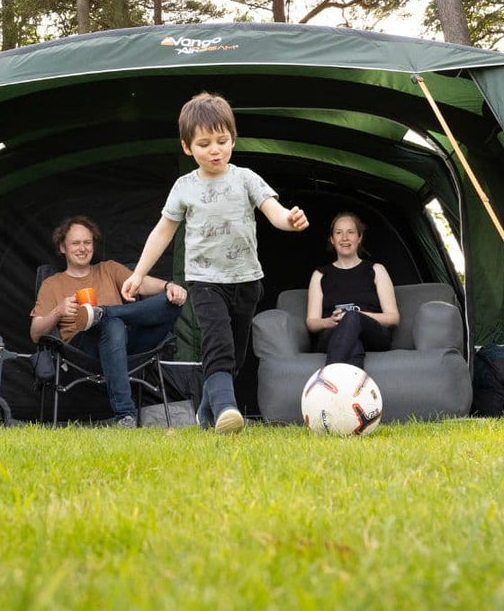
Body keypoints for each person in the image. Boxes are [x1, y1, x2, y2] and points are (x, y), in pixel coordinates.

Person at [122, 92, 309, 434]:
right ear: (187, 148)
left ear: (233, 140)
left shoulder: (246, 178)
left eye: (222, 141)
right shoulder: (184, 187)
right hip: (204, 281)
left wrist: (290, 220)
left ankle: (207, 412)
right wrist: (138, 274)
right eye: (204, 143)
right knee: (218, 345)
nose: (215, 150)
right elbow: (162, 232)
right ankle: (226, 410)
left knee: (233, 356)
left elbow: (274, 212)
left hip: (247, 280)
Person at [29, 216, 187, 428]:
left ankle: (104, 312)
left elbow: (140, 283)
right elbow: (35, 333)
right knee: (111, 325)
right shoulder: (52, 284)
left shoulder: (109, 268)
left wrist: (169, 286)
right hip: (82, 352)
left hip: (128, 345)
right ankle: (125, 415)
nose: (83, 248)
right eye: (76, 243)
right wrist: (58, 311)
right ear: (62, 247)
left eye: (87, 242)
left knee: (173, 303)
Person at [306, 212, 400, 370]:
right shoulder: (319, 275)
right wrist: (328, 321)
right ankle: (352, 392)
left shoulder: (376, 270)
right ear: (332, 239)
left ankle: (328, 378)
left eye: (350, 232)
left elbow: (393, 318)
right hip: (332, 333)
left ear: (359, 237)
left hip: (373, 335)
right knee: (353, 343)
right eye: (338, 233)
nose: (344, 238)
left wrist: (359, 316)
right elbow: (311, 323)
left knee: (352, 318)